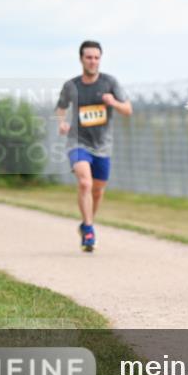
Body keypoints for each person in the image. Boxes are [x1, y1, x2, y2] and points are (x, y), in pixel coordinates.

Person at [55, 40, 132, 252]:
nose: (93, 61)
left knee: (97, 191)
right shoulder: (72, 86)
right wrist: (61, 122)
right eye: (89, 57)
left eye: (96, 57)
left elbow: (128, 109)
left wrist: (113, 102)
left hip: (103, 146)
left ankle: (86, 223)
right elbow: (61, 108)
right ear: (81, 59)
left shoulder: (110, 83)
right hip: (78, 141)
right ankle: (89, 231)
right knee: (85, 184)